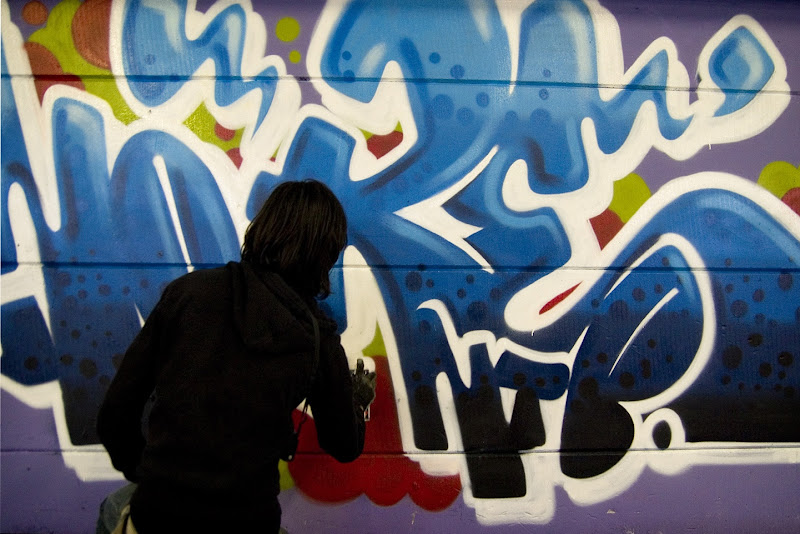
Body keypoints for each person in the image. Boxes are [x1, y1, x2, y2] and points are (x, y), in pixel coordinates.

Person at [97, 179, 376, 533]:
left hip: (158, 514)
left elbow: (114, 415)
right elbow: (343, 445)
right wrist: (358, 401)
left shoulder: (188, 294)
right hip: (248, 520)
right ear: (326, 256)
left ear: (264, 228)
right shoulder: (317, 337)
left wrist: (154, 478)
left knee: (114, 506)